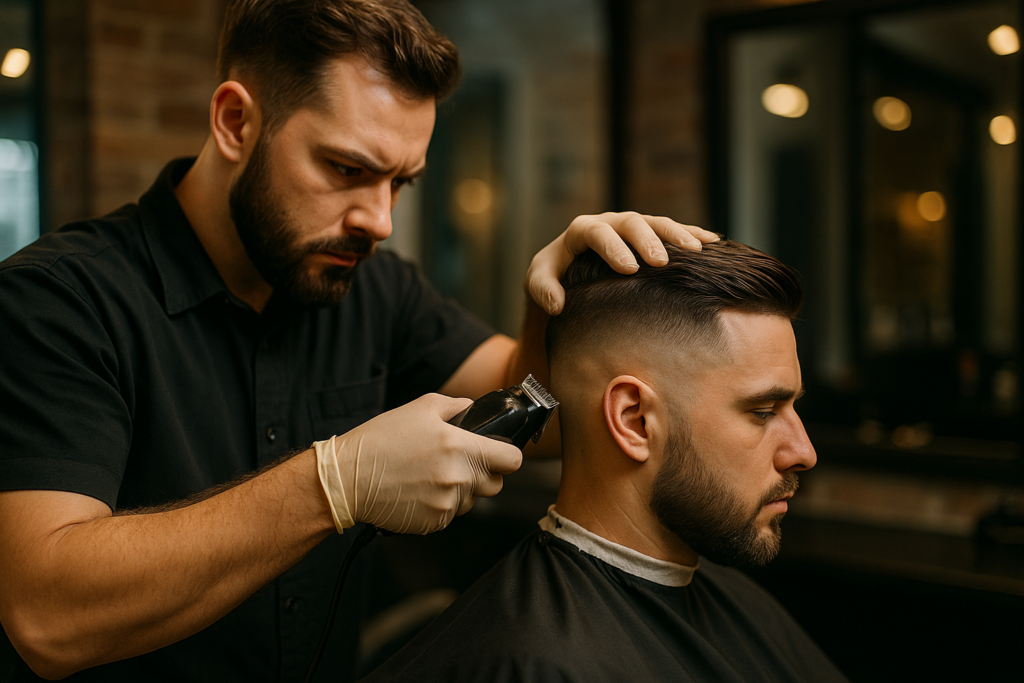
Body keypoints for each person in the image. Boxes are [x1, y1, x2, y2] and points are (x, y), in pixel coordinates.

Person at [0, 1, 717, 681]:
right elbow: (45, 615)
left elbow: (536, 407)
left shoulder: (373, 287)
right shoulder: (58, 301)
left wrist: (554, 305)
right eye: (347, 170)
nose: (379, 221)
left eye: (400, 182)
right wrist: (333, 481)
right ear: (234, 121)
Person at [358, 240, 849, 683]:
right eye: (763, 412)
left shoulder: (736, 603)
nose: (802, 452)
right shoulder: (530, 662)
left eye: (793, 408)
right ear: (634, 420)